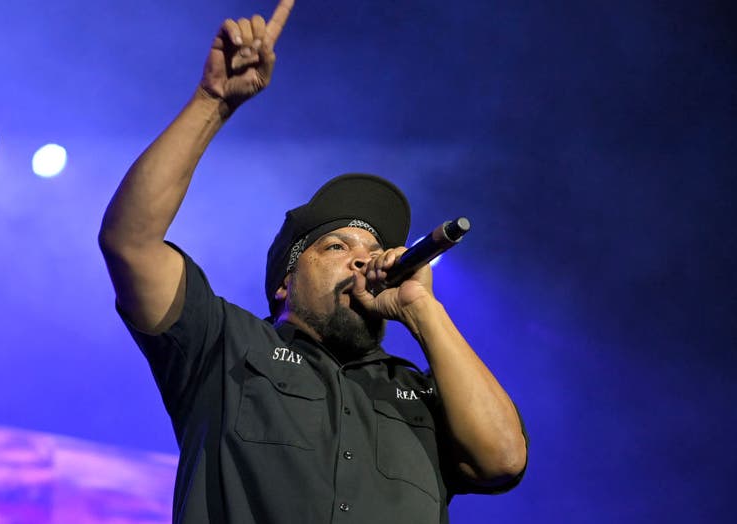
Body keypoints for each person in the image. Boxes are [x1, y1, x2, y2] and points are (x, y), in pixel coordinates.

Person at [98, 1, 527, 522]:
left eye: (372, 252)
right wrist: (212, 101)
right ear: (284, 283)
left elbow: (503, 460)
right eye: (337, 247)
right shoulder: (225, 346)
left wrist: (422, 309)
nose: (362, 262)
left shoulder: (420, 389)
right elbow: (131, 242)